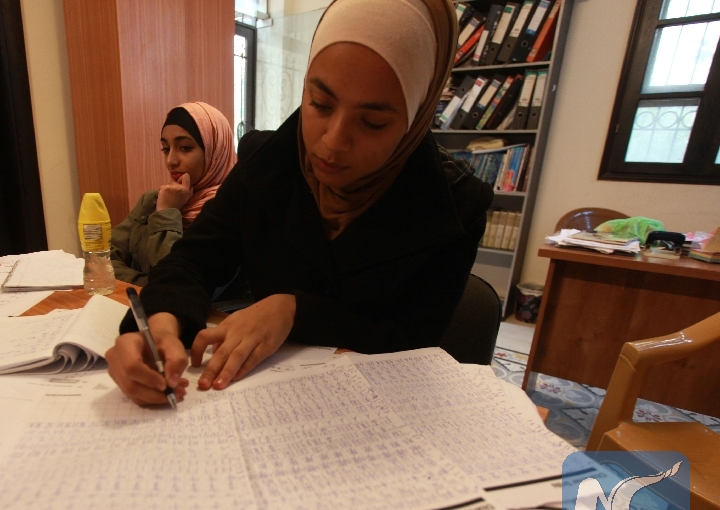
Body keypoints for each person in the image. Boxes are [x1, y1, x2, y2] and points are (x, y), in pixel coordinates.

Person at [107, 0, 493, 405]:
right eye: (320, 103)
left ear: (416, 117)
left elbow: (411, 341)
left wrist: (293, 311)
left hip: (377, 409)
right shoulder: (266, 162)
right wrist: (159, 323)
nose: (332, 142)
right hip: (268, 399)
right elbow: (192, 261)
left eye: (372, 122)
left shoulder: (454, 206)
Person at [109, 101, 236, 286]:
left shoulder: (228, 213)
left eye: (185, 148)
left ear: (215, 151)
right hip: (132, 301)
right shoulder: (152, 200)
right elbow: (103, 260)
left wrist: (166, 212)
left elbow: (179, 282)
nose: (171, 161)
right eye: (166, 149)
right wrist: (150, 284)